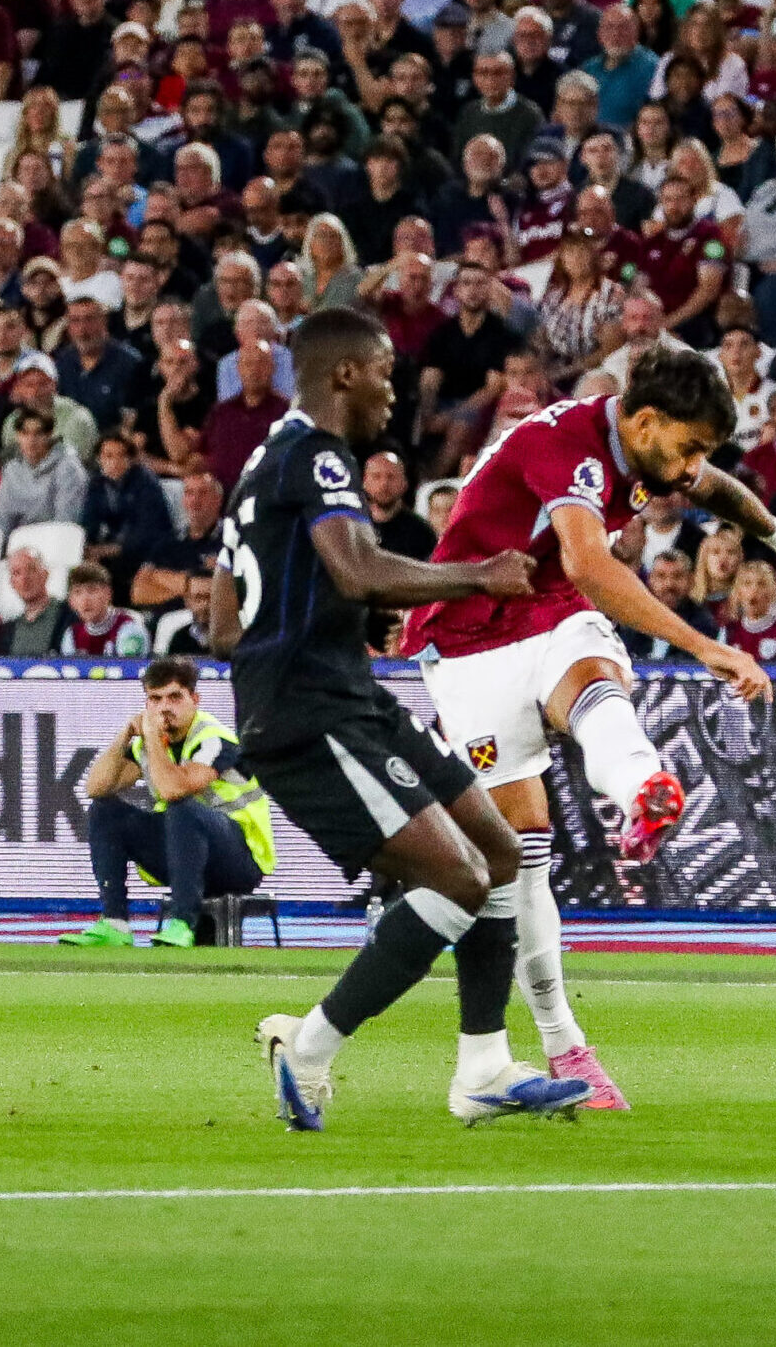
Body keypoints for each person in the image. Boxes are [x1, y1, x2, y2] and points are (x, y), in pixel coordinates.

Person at [402, 345, 776, 1111]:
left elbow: (721, 491)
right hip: (467, 638)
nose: (690, 467)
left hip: (547, 614)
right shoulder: (564, 447)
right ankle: (561, 1039)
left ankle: (643, 793)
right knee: (521, 853)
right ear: (643, 419)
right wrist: (704, 646)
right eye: (688, 446)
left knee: (596, 677)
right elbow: (589, 565)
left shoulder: (648, 448)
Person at [206, 309, 585, 1128]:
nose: (391, 388)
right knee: (454, 877)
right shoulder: (314, 454)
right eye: (381, 369)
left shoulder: (259, 468)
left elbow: (222, 625)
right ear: (343, 373)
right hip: (312, 715)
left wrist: (320, 626)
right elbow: (355, 567)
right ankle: (305, 1051)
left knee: (499, 850)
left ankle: (483, 1066)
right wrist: (476, 575)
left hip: (348, 697)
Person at [55, 659, 275, 949]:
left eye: (174, 697)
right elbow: (96, 787)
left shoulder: (213, 738)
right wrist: (125, 736)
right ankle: (115, 923)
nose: (164, 707)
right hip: (184, 855)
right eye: (155, 699)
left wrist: (153, 740)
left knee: (182, 806)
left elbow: (173, 790)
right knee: (105, 810)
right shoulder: (146, 742)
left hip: (238, 859)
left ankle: (183, 922)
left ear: (194, 700)